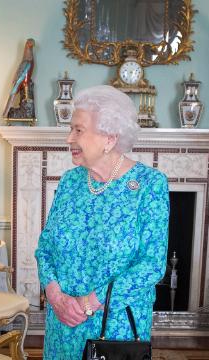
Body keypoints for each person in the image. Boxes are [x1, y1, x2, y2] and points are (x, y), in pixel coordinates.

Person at [35, 85, 169, 358]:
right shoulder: (70, 182)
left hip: (114, 326)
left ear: (109, 137)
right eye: (70, 129)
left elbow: (151, 265)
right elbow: (45, 247)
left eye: (78, 130)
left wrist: (88, 304)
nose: (68, 138)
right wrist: (55, 296)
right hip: (63, 322)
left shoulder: (149, 185)